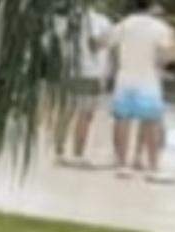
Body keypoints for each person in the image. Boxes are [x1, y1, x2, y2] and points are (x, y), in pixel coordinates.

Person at [108, 0, 175, 182]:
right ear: (152, 7)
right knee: (152, 123)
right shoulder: (159, 27)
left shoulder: (125, 24)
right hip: (148, 82)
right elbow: (173, 56)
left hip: (124, 80)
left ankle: (122, 165)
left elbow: (104, 42)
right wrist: (174, 36)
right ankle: (153, 168)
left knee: (122, 120)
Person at [53, 4, 114, 167]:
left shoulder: (62, 20)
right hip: (90, 73)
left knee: (65, 113)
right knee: (85, 115)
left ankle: (58, 151)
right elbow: (96, 46)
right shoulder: (100, 21)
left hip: (69, 71)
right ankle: (77, 154)